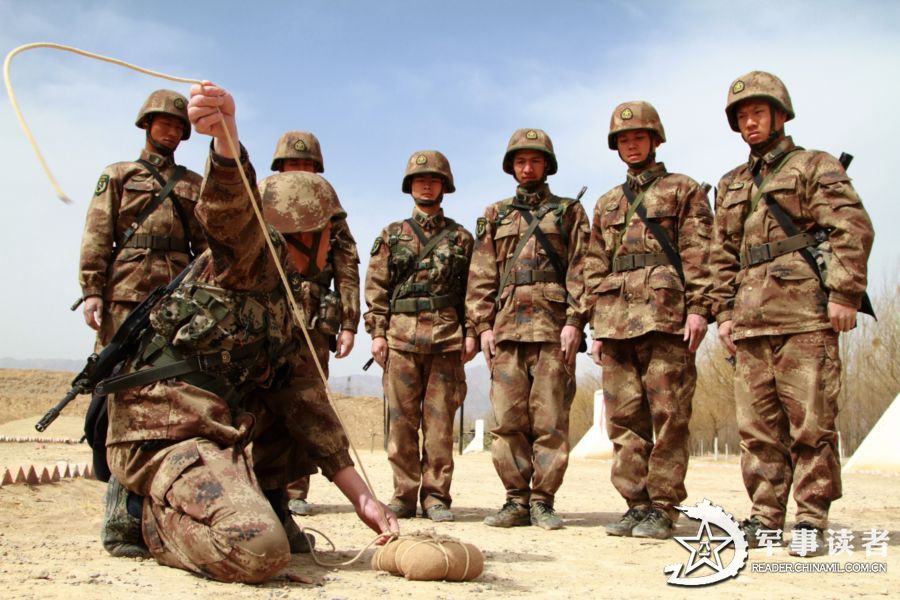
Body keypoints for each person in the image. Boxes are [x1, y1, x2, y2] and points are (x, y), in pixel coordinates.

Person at [99, 82, 397, 583]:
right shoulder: (247, 262)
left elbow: (307, 398)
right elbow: (230, 213)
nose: (336, 245)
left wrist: (363, 499)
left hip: (216, 431)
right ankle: (138, 511)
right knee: (257, 549)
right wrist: (225, 138)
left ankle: (267, 498)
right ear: (308, 234)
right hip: (165, 431)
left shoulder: (287, 297)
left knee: (287, 404)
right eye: (331, 233)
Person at [709, 71, 874, 556]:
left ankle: (810, 518)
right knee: (757, 429)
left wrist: (844, 294)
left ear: (780, 114)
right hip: (750, 321)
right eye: (742, 116)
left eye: (758, 112)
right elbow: (722, 254)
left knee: (812, 424)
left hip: (805, 316)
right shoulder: (731, 183)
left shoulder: (813, 166)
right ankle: (763, 516)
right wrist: (723, 314)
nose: (750, 122)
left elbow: (851, 227)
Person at [585, 101, 713, 540]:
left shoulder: (683, 190)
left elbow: (699, 253)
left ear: (655, 139)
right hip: (615, 322)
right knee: (623, 419)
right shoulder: (605, 204)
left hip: (666, 318)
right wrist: (594, 325)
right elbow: (593, 265)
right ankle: (635, 503)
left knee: (669, 415)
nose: (631, 145)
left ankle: (663, 505)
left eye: (638, 137)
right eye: (623, 139)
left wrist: (699, 309)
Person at [465, 129, 589, 530]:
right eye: (520, 161)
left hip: (553, 330)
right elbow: (482, 275)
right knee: (507, 421)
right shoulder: (494, 215)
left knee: (550, 419)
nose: (527, 167)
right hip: (505, 330)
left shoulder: (568, 211)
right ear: (511, 167)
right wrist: (482, 326)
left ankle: (543, 500)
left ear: (547, 165)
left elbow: (582, 269)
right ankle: (515, 499)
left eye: (535, 160)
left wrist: (574, 321)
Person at [364, 150, 474, 522]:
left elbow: (473, 292)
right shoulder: (392, 235)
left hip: (445, 339)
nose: (426, 184)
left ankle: (436, 496)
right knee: (402, 422)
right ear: (409, 186)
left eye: (433, 179)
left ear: (445, 186)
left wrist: (471, 333)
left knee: (440, 423)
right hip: (400, 339)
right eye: (419, 179)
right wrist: (377, 333)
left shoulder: (461, 238)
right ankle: (404, 494)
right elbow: (376, 287)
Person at [268, 131, 361, 518]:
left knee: (306, 398)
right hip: (267, 310)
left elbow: (346, 261)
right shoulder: (265, 199)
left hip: (313, 316)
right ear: (281, 167)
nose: (300, 170)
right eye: (293, 164)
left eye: (307, 165)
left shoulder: (328, 204)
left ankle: (295, 488)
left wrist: (349, 322)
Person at [79, 89, 208, 351]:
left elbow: (205, 247)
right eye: (166, 124)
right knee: (114, 373)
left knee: (173, 374)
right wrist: (92, 291)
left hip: (178, 294)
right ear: (147, 123)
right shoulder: (119, 174)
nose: (172, 133)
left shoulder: (195, 184)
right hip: (126, 288)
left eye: (178, 127)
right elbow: (97, 234)